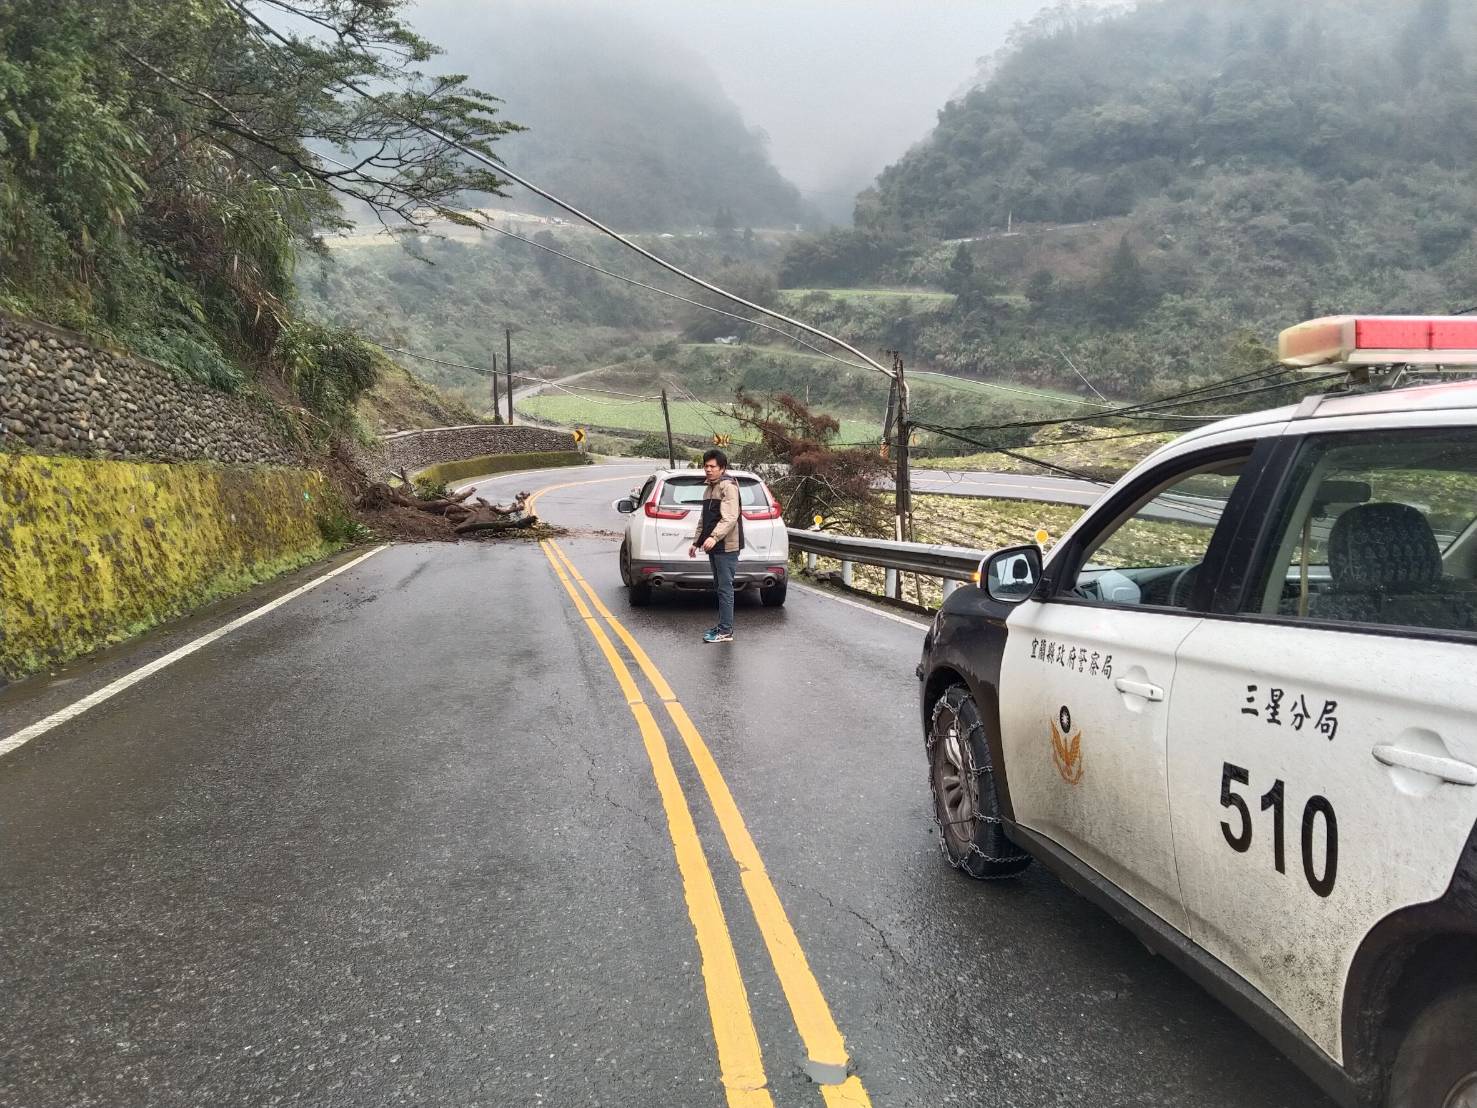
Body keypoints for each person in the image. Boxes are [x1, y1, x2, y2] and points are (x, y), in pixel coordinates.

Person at [688, 448, 744, 643]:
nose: (708, 470)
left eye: (713, 466)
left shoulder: (728, 487)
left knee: (725, 588)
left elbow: (730, 517)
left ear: (722, 468)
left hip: (726, 546)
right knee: (720, 586)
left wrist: (713, 537)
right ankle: (723, 626)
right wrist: (696, 542)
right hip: (713, 545)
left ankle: (726, 631)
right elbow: (705, 519)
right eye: (706, 466)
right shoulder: (709, 488)